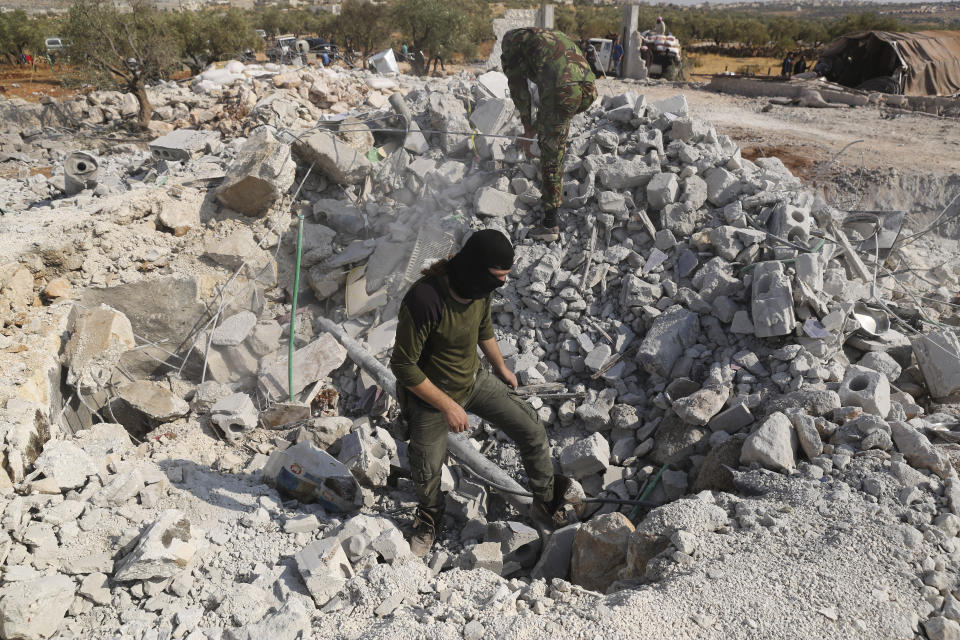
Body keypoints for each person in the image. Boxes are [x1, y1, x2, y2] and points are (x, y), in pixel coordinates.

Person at [390, 230, 576, 556]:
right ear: (474, 268)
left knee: (531, 428)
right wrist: (447, 406)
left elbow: (483, 328)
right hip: (430, 397)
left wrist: (501, 367)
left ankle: (545, 501)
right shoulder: (424, 300)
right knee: (426, 466)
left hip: (474, 381)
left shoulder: (479, 289)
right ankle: (430, 516)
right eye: (498, 277)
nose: (501, 285)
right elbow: (404, 367)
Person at [502, 28, 597, 242]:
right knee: (554, 121)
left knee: (551, 149)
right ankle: (549, 131)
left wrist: (527, 129)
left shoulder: (512, 47)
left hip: (563, 88)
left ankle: (549, 224)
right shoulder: (549, 36)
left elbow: (519, 91)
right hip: (588, 89)